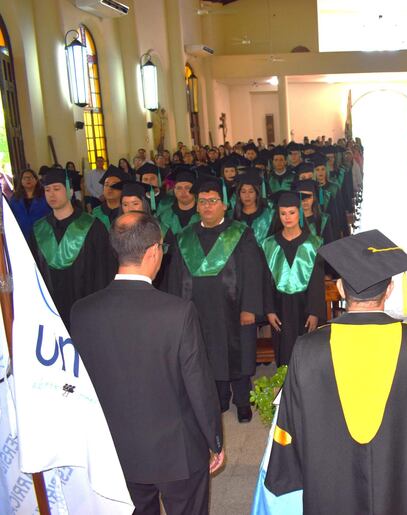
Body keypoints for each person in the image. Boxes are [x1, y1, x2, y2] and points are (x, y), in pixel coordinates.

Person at [265, 229, 407, 512]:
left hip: (331, 492)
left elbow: (290, 420)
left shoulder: (308, 348)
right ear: (390, 290)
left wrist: (286, 472)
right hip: (404, 490)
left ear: (341, 289)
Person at [70, 212, 224, 515]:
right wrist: (214, 439)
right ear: (154, 251)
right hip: (178, 451)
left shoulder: (81, 312)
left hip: (114, 450)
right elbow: (198, 384)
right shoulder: (178, 312)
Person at [165, 177, 263, 422]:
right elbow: (175, 277)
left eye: (213, 201)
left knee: (238, 354)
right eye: (202, 201)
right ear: (197, 206)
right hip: (197, 309)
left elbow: (253, 272)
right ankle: (218, 398)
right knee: (206, 354)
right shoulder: (185, 237)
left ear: (225, 205)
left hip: (234, 309)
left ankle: (242, 401)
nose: (207, 206)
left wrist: (249, 308)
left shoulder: (240, 234)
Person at [28, 168, 113, 329]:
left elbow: (104, 271)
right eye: (47, 190)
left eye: (57, 189)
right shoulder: (38, 229)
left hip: (87, 313)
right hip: (50, 314)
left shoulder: (93, 227)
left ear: (70, 190)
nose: (51, 194)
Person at [262, 191, 326, 366]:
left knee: (307, 354)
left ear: (299, 213)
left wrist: (314, 312)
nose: (287, 217)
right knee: (283, 355)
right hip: (279, 307)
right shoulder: (269, 244)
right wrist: (269, 310)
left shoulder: (314, 243)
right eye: (283, 213)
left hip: (305, 307)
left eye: (292, 212)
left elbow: (316, 282)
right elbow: (266, 281)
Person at [9, 168, 51, 241]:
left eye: (30, 177)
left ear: (36, 180)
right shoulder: (15, 198)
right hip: (22, 236)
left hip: (43, 236)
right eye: (25, 178)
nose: (28, 179)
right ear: (21, 181)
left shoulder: (45, 195)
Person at [157, 167, 200, 235]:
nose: (183, 192)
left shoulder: (204, 214)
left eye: (188, 188)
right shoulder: (164, 216)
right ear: (174, 190)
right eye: (179, 188)